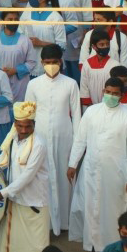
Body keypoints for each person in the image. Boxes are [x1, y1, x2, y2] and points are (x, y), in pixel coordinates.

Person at [68, 77, 127, 252]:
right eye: (108, 92)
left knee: (112, 212)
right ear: (103, 91)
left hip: (116, 174)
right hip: (90, 171)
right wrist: (72, 163)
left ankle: (112, 248)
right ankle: (92, 247)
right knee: (91, 209)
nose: (110, 96)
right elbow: (80, 140)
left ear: (122, 95)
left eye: (115, 93)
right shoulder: (92, 112)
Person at [25, 43, 82, 234]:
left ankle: (65, 222)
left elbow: (77, 116)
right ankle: (46, 223)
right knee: (42, 179)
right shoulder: (33, 84)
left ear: (61, 61)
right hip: (40, 138)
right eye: (47, 62)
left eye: (54, 62)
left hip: (64, 138)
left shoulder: (70, 84)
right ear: (41, 63)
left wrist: (77, 146)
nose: (51, 65)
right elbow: (28, 114)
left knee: (63, 177)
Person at [0, 101, 52, 252]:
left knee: (37, 248)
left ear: (34, 124)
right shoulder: (12, 139)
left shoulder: (39, 144)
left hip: (34, 202)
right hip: (16, 200)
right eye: (20, 126)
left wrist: (3, 193)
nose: (24, 130)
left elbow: (27, 176)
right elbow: (1, 161)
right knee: (13, 245)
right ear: (15, 124)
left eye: (28, 126)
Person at [18, 0, 67, 75]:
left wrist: (41, 43)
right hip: (29, 66)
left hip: (50, 68)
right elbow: (19, 34)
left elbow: (62, 46)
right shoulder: (26, 14)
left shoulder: (55, 17)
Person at [0, 10, 37, 102]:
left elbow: (32, 62)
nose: (13, 22)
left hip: (19, 82)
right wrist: (0, 72)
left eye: (16, 19)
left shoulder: (25, 40)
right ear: (3, 21)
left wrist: (15, 70)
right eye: (10, 19)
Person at [80, 29, 121, 108]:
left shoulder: (115, 64)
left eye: (107, 44)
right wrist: (87, 104)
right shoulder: (87, 64)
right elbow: (84, 86)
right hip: (90, 106)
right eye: (101, 45)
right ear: (94, 47)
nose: (105, 47)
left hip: (109, 104)